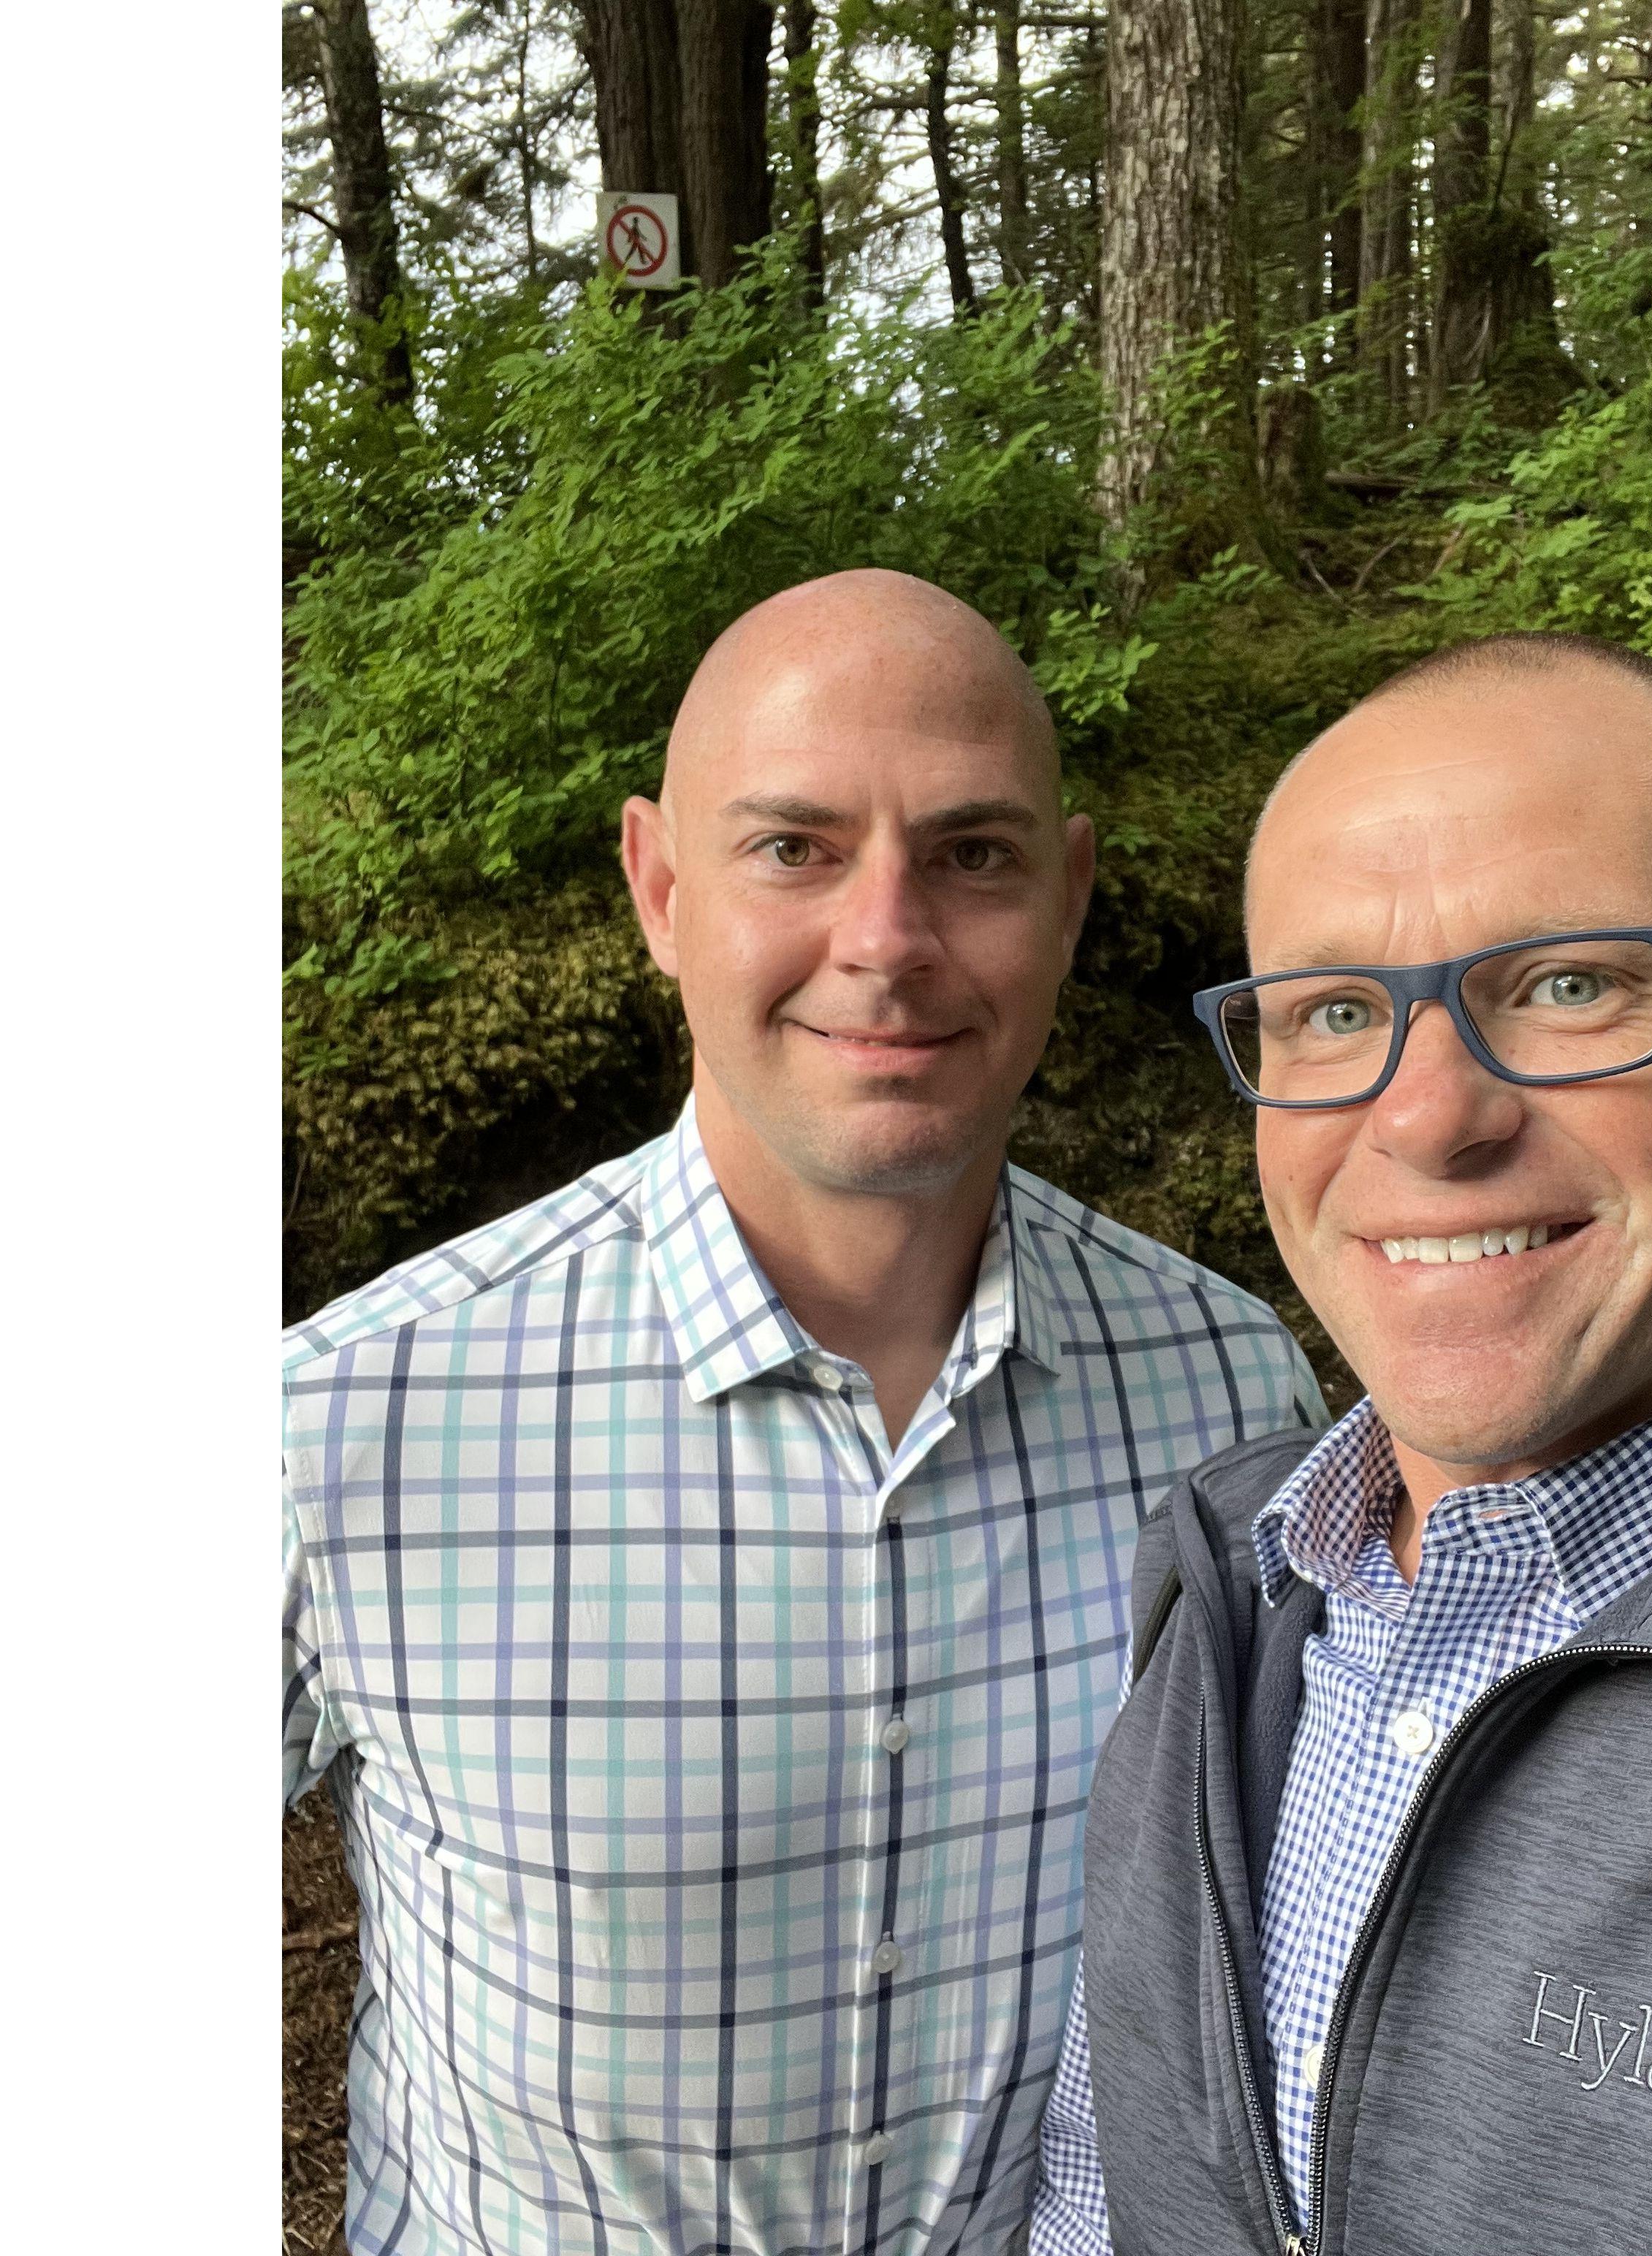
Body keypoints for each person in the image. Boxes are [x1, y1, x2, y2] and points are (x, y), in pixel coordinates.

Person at [282, 570, 1325, 2256]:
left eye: (972, 853)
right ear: (659, 887)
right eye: (793, 847)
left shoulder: (1229, 1390)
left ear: (1066, 897)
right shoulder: (344, 1418)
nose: (887, 939)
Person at [1029, 633, 1652, 2256]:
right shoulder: (1224, 1579)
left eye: (1566, 984)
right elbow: (1102, 2185)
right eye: (1334, 1011)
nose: (1425, 1116)